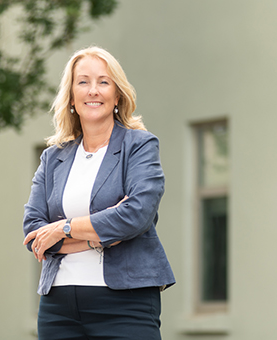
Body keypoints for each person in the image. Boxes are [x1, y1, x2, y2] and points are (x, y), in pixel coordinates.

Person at [23, 46, 175, 340]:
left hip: (126, 305)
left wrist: (63, 228)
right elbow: (33, 233)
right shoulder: (52, 158)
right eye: (83, 82)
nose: (93, 90)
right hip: (58, 309)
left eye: (103, 82)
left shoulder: (140, 146)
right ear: (71, 96)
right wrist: (104, 235)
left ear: (117, 95)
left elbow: (136, 215)